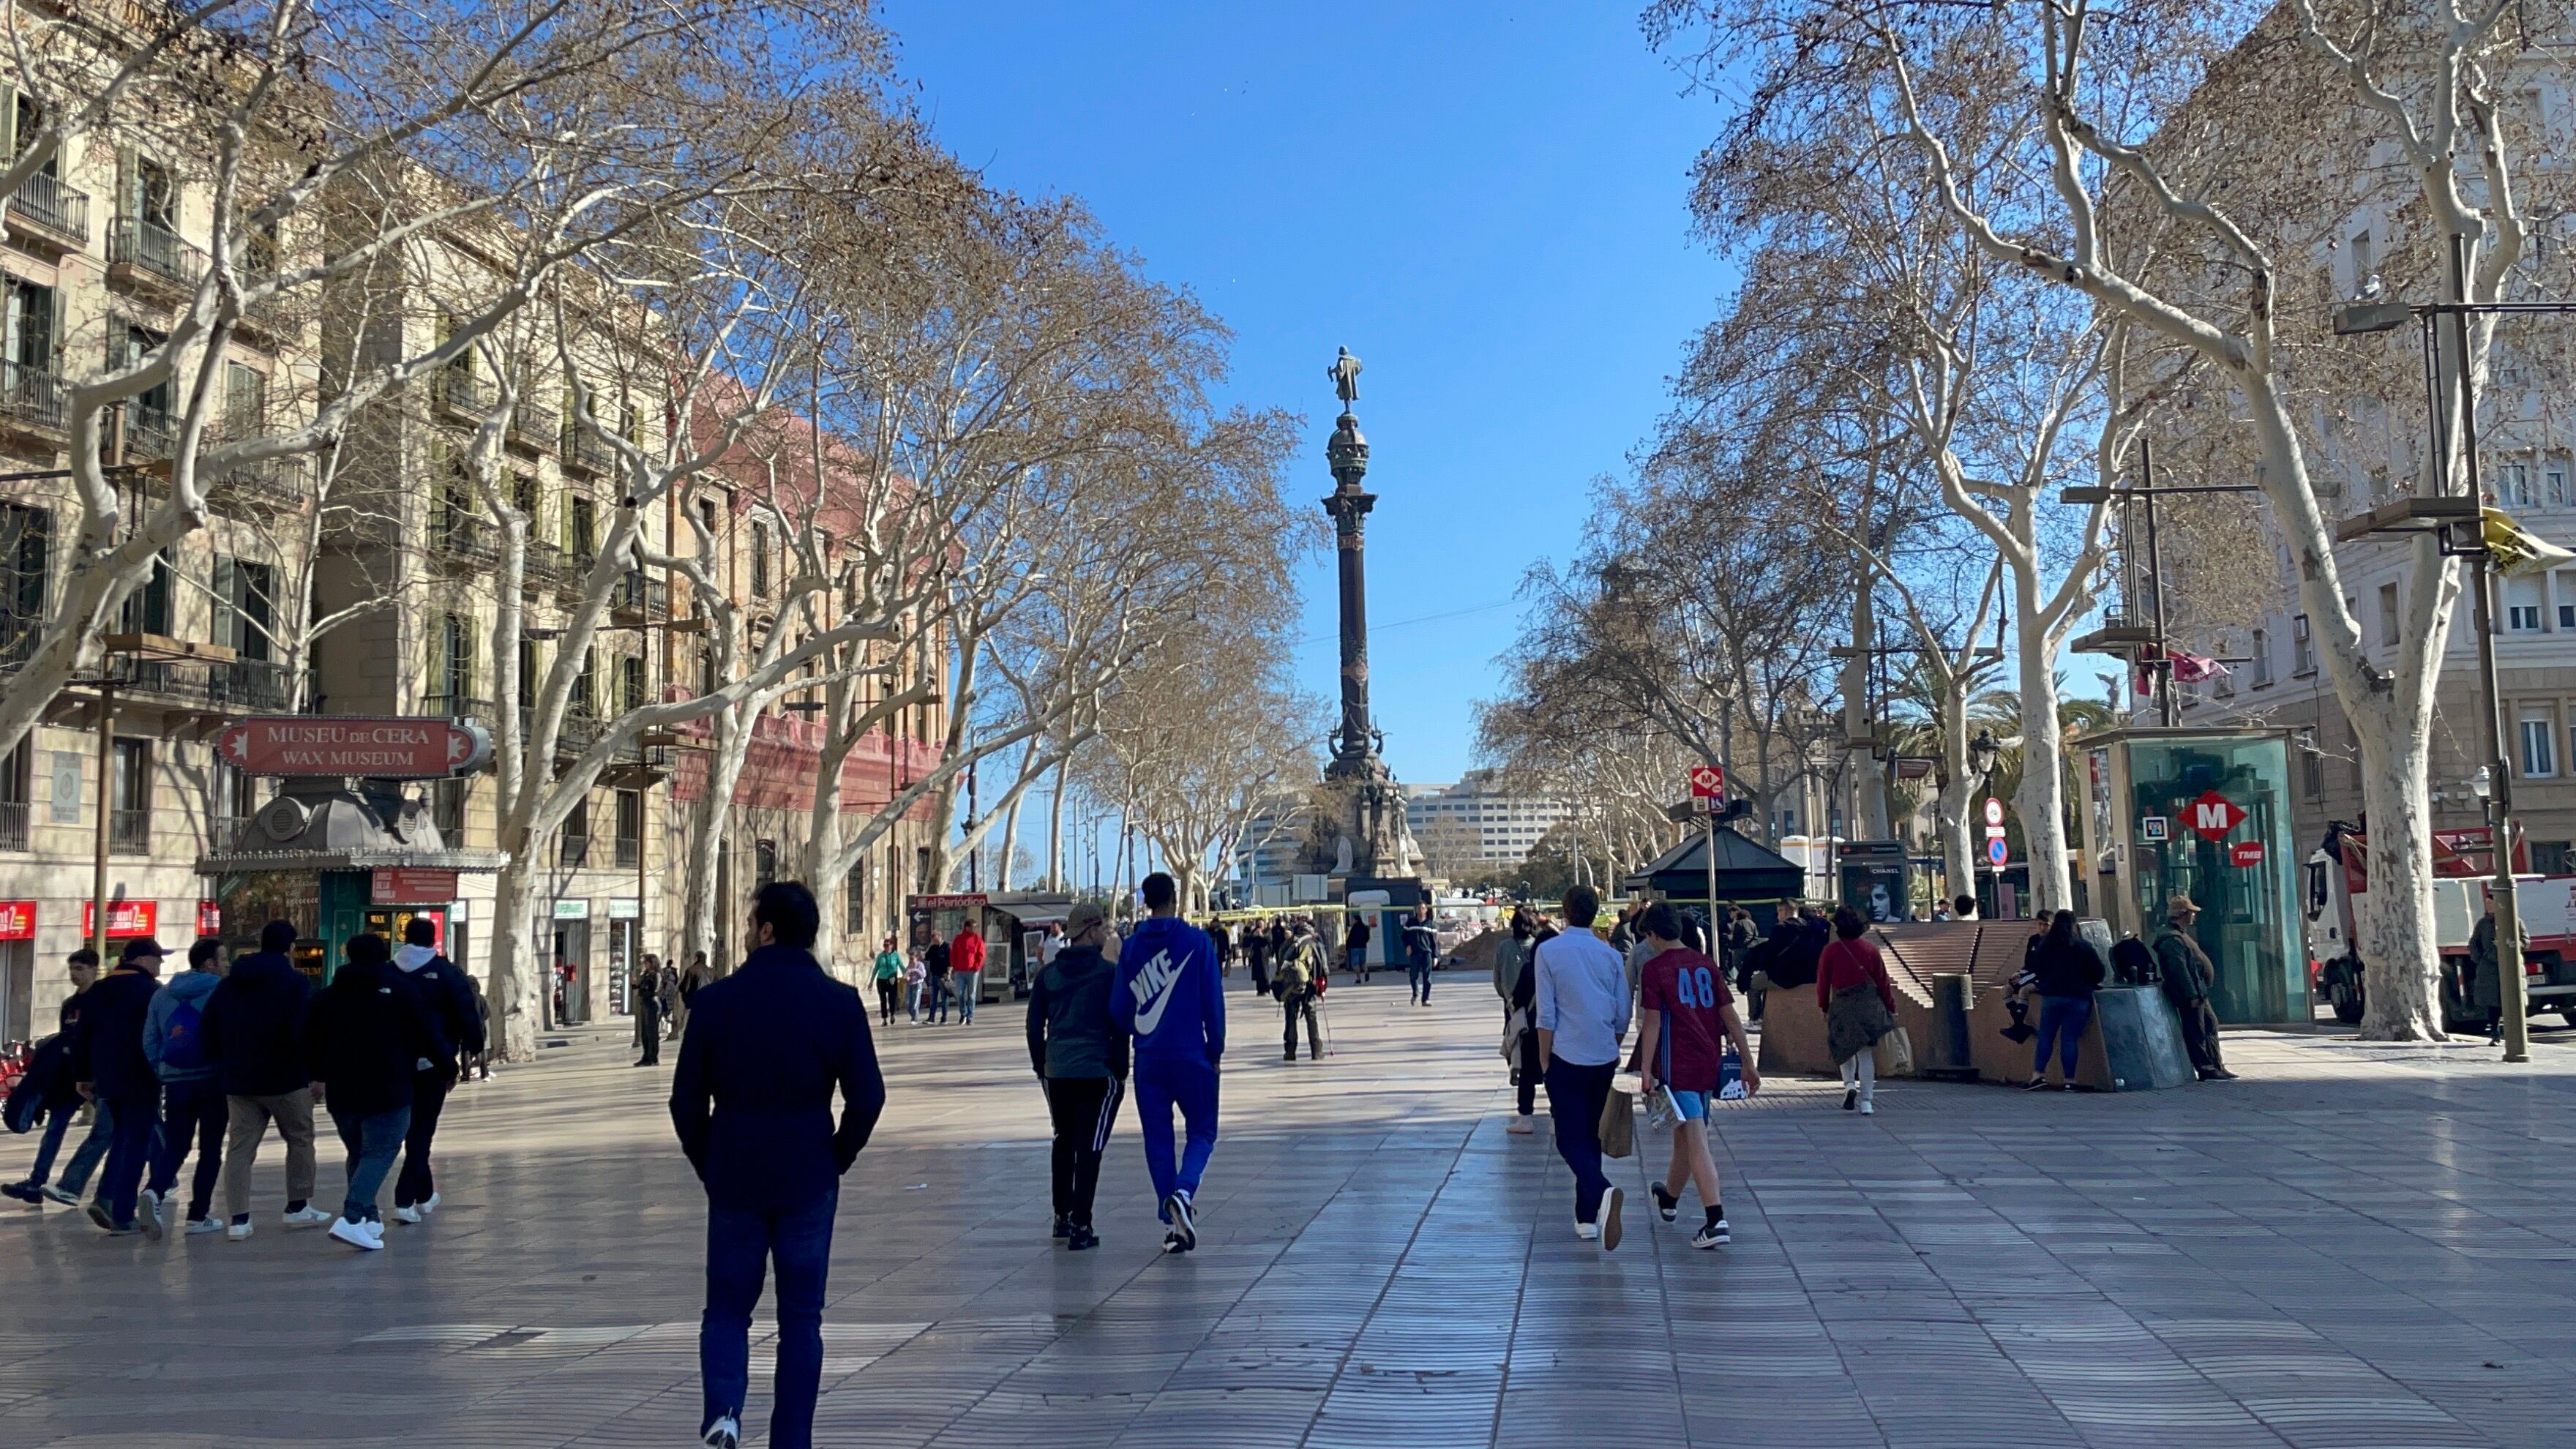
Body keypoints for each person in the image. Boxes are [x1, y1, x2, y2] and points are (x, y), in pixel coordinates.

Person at [671, 882, 883, 1449]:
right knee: (801, 1319)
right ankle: (791, 1438)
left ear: (766, 929)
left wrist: (707, 1161)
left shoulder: (715, 1003)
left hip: (735, 1172)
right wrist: (837, 1156)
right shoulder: (839, 1003)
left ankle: (724, 1410)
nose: (745, 932)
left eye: (749, 922)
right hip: (809, 1173)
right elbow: (868, 1098)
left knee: (726, 1308)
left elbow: (685, 1101)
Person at [1634, 902, 1760, 1249]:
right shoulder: (1707, 964)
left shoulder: (1654, 968)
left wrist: (1645, 1069)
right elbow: (1731, 1017)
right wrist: (1748, 1062)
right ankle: (1670, 1197)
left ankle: (1715, 1218)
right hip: (1708, 1064)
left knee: (1697, 1140)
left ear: (1653, 934)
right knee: (1687, 1138)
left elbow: (1654, 1022)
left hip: (1677, 1066)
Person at [305, 932, 438, 1250]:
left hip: (342, 1090)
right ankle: (351, 1217)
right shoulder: (402, 991)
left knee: (359, 1152)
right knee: (381, 1151)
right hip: (389, 1086)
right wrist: (442, 1065)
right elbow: (425, 1034)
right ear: (383, 956)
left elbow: (310, 1040)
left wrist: (318, 1075)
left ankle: (368, 1217)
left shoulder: (326, 997)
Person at [1113, 872, 1224, 1254]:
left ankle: (1173, 1220)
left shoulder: (1129, 949)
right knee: (1203, 1132)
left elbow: (1118, 1008)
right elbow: (1213, 1002)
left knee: (1158, 1139)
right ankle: (1183, 1191)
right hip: (1193, 1054)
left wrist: (1137, 1031)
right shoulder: (1197, 942)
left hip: (1150, 1059)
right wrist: (1216, 1050)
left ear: (1145, 902)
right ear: (1175, 899)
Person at [201, 920, 328, 1239]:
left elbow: (209, 1027)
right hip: (286, 1077)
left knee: (240, 1149)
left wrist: (223, 1063)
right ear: (291, 948)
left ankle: (239, 1220)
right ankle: (298, 1207)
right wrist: (316, 1072)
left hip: (240, 1079)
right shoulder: (295, 983)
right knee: (300, 1138)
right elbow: (306, 1031)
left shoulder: (229, 984)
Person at [1025, 901, 1126, 1251]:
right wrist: (1121, 1069)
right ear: (1091, 929)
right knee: (1091, 1146)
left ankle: (1061, 1217)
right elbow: (1119, 1026)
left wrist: (1043, 1066)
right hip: (1097, 1070)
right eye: (1104, 929)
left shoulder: (1048, 975)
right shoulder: (1109, 974)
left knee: (1063, 1140)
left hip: (1058, 1071)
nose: (1107, 935)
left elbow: (1034, 1026)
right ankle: (1083, 1224)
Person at [1534, 883, 1630, 1250]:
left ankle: (1602, 1192)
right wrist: (1612, 1043)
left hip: (1565, 1054)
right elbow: (1623, 1011)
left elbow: (1546, 1012)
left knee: (1569, 1137)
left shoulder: (1550, 952)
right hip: (1602, 1053)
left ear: (1565, 910)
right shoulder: (1609, 955)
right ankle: (1586, 1216)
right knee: (1590, 1132)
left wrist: (1545, 1058)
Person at [72, 937, 170, 1235]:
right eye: (157, 959)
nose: (160, 965)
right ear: (142, 960)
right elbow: (160, 1034)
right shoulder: (152, 991)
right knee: (137, 1142)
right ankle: (123, 1213)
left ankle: (108, 1200)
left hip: (107, 1080)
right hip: (141, 1077)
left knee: (124, 1137)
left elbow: (82, 1036)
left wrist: (84, 1076)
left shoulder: (98, 990)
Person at [390, 917, 483, 1224]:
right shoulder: (447, 973)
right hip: (434, 1062)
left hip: (393, 1064)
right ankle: (405, 1200)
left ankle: (425, 1193)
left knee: (409, 1130)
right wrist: (474, 1047)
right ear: (433, 940)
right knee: (422, 1131)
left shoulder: (389, 972)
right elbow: (466, 1012)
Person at [141, 937, 230, 1237]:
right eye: (223, 959)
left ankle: (154, 1191)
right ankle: (198, 1215)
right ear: (209, 964)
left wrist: (162, 1070)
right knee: (210, 1149)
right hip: (212, 1078)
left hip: (176, 1081)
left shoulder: (163, 994)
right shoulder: (222, 992)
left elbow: (150, 1039)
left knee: (177, 1144)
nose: (227, 964)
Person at [4, 948, 102, 1206]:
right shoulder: (70, 1005)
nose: (75, 974)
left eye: (80, 969)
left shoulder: (101, 999)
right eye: (72, 969)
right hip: (70, 1081)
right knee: (54, 1129)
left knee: (119, 1125)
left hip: (97, 1079)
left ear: (94, 969)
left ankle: (164, 1179)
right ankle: (36, 1181)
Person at [1816, 906, 1897, 1115]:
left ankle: (1849, 1085)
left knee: (1845, 1050)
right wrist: (1890, 1006)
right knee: (1866, 1054)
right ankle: (1867, 1101)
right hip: (1868, 1006)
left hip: (1842, 1005)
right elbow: (1882, 982)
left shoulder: (1830, 951)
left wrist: (1824, 1006)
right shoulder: (1871, 950)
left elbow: (1823, 983)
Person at [2152, 895, 2236, 1080]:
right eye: (2191, 913)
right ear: (2183, 914)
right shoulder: (2172, 940)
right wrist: (2191, 994)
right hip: (2192, 995)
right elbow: (2180, 971)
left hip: (2199, 991)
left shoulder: (2180, 935)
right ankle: (2206, 1068)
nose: (2194, 916)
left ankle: (2216, 1065)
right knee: (2196, 1031)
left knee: (2209, 1025)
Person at [2026, 910, 2107, 1090]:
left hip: (2051, 996)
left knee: (2045, 1035)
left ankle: (2038, 1075)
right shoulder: (2082, 947)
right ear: (2073, 926)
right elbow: (2099, 972)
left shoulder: (2045, 946)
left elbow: (2036, 968)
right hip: (2077, 998)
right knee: (2069, 1038)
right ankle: (2069, 1080)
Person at [1493, 909, 1540, 1134]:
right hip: (1537, 1006)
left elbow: (1497, 978)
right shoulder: (1539, 947)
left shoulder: (1504, 947)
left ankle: (1515, 1066)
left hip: (1512, 1003)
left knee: (1513, 1036)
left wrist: (1507, 997)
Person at [2468, 894, 2525, 1046]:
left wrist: (2511, 945)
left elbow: (2525, 940)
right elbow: (2474, 943)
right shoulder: (2483, 924)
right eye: (2487, 903)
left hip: (2510, 967)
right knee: (2493, 1003)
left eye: (2491, 903)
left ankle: (2517, 1036)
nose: (2488, 906)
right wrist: (2479, 959)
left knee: (2513, 1002)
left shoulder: (2514, 920)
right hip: (2489, 970)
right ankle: (2495, 1033)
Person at [1276, 918, 1326, 1063]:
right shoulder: (1315, 943)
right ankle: (1316, 1050)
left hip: (1291, 986)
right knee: (1311, 1016)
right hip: (1309, 986)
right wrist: (1322, 989)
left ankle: (1290, 1051)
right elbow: (1324, 968)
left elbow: (1281, 964)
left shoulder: (1289, 942)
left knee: (1291, 1017)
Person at [951, 916, 986, 1025]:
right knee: (960, 993)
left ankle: (970, 1016)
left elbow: (981, 955)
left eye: (975, 927)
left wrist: (977, 967)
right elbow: (953, 954)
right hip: (960, 971)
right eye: (972, 927)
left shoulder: (977, 940)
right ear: (966, 928)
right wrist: (954, 966)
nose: (974, 930)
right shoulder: (959, 939)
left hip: (972, 971)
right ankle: (963, 1013)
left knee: (971, 994)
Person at [1403, 903, 1439, 1006]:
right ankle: (1415, 993)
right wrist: (1408, 945)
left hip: (1426, 953)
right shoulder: (1410, 922)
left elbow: (1434, 942)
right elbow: (1404, 936)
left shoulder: (1430, 924)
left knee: (1427, 977)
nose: (1420, 910)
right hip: (1414, 953)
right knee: (1413, 975)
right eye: (1419, 908)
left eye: (1423, 908)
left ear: (1426, 910)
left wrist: (1435, 956)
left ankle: (1425, 999)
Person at [634, 953, 665, 1066]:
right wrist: (636, 985)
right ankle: (646, 1055)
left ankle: (653, 1057)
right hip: (645, 1003)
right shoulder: (646, 974)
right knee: (645, 1032)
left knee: (652, 1032)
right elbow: (639, 987)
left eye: (646, 962)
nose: (644, 964)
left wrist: (643, 989)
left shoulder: (655, 974)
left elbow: (654, 989)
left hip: (652, 1003)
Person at [872, 935, 905, 1026]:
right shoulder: (881, 956)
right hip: (881, 979)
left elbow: (901, 966)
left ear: (892, 945)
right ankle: (884, 1019)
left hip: (892, 978)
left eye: (887, 945)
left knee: (892, 998)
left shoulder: (896, 955)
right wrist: (871, 981)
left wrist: (906, 975)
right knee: (883, 1000)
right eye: (884, 945)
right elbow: (876, 968)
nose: (886, 947)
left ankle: (892, 1014)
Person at [923, 935, 953, 1025]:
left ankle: (944, 1018)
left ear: (939, 937)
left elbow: (950, 961)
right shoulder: (933, 947)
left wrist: (949, 973)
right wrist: (923, 954)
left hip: (943, 976)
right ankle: (931, 1018)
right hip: (934, 975)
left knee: (944, 998)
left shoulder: (947, 947)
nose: (933, 939)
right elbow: (927, 957)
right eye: (932, 938)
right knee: (933, 999)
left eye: (934, 937)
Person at [1343, 913, 1372, 985]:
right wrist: (1364, 942)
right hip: (1363, 947)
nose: (1352, 921)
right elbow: (1368, 938)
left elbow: (1350, 938)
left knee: (1355, 964)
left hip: (1355, 948)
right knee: (1363, 962)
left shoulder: (1354, 928)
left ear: (1356, 920)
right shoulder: (1365, 928)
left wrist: (1347, 947)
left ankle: (1358, 978)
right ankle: (1366, 971)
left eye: (1353, 920)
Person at [1243, 918, 1269, 997]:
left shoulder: (1267, 931)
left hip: (1264, 955)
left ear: (1264, 924)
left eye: (1261, 923)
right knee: (1257, 973)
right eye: (1258, 923)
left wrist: (1261, 935)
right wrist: (1253, 936)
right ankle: (1259, 990)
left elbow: (1268, 941)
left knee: (1265, 973)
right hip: (1256, 955)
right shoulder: (1253, 932)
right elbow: (1247, 942)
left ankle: (1266, 989)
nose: (1260, 925)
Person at [904, 948, 926, 1025]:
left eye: (912, 959)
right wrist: (907, 978)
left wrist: (915, 970)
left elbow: (923, 975)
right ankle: (913, 1015)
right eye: (910, 958)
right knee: (907, 1003)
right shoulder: (909, 966)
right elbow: (906, 976)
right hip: (910, 985)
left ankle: (915, 1019)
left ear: (916, 958)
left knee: (915, 1003)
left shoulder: (920, 965)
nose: (911, 960)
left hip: (917, 985)